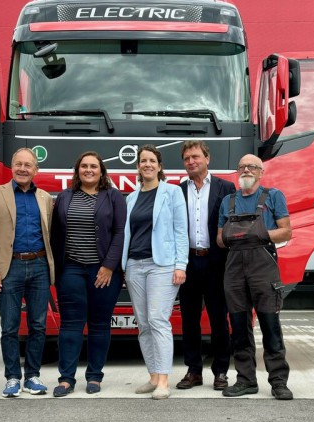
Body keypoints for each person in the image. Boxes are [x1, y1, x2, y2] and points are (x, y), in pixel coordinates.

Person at [0, 148, 55, 398]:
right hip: (9, 268)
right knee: (10, 327)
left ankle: (32, 376)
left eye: (28, 165)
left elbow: (50, 233)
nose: (23, 169)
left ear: (36, 170)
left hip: (40, 266)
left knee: (38, 325)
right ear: (12, 166)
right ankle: (12, 377)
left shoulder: (44, 197)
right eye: (18, 164)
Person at [216, 154, 293, 400]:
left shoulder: (273, 196)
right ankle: (246, 380)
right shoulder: (227, 201)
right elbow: (219, 239)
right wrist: (232, 237)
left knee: (270, 325)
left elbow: (286, 232)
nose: (246, 170)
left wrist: (258, 235)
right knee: (238, 326)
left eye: (252, 167)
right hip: (234, 266)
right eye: (242, 167)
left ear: (261, 172)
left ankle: (279, 381)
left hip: (263, 264)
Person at [50, 152, 126, 397]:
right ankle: (66, 379)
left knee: (99, 324)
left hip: (103, 270)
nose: (89, 170)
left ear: (102, 171)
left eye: (94, 166)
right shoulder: (64, 197)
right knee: (70, 325)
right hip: (71, 268)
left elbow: (119, 233)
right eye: (84, 166)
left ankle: (94, 377)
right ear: (77, 170)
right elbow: (55, 234)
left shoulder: (114, 197)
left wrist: (109, 266)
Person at [122, 144, 188, 400]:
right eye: (142, 161)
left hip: (162, 265)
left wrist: (181, 265)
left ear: (159, 166)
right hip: (135, 266)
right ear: (138, 167)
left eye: (151, 160)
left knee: (158, 320)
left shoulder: (172, 192)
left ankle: (163, 381)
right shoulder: (131, 198)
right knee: (144, 324)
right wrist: (125, 266)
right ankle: (152, 376)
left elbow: (181, 231)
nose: (147, 164)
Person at [176, 141, 235, 391]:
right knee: (189, 320)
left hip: (216, 262)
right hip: (187, 262)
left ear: (207, 159)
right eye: (187, 158)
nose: (191, 161)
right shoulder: (176, 191)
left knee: (219, 319)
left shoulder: (226, 187)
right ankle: (193, 371)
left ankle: (220, 371)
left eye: (196, 156)